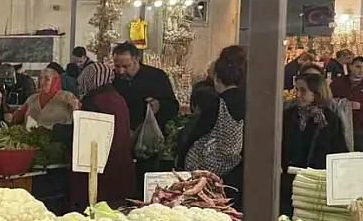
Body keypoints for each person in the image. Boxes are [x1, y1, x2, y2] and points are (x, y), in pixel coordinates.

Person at [177, 46, 247, 203]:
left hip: (210, 178)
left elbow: (194, 136)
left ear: (216, 78)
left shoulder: (215, 104)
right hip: (239, 174)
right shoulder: (249, 101)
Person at [112, 42, 180, 192]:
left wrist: (159, 105)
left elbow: (173, 107)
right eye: (117, 67)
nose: (121, 71)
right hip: (121, 142)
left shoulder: (156, 77)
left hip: (148, 144)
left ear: (136, 60)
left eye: (126, 66)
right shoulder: (114, 79)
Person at [281, 73, 348, 216]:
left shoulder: (330, 119)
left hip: (316, 185)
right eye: (296, 89)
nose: (298, 94)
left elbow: (339, 151)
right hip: (288, 183)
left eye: (303, 90)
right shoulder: (287, 116)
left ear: (316, 92)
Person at [70, 62, 135, 210]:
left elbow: (85, 132)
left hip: (100, 172)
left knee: (96, 213)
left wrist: (71, 119)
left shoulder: (94, 100)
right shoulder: (118, 98)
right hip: (120, 167)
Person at [330, 56, 363, 151]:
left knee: (358, 154)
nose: (361, 70)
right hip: (339, 125)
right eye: (358, 67)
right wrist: (340, 104)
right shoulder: (337, 82)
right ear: (351, 67)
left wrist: (360, 106)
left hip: (359, 126)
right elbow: (327, 99)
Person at [8, 67, 79, 130]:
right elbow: (18, 115)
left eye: (47, 79)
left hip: (57, 141)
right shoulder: (33, 98)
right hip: (30, 139)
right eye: (40, 78)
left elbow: (79, 116)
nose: (42, 82)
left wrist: (75, 107)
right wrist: (11, 117)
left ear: (55, 81)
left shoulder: (67, 96)